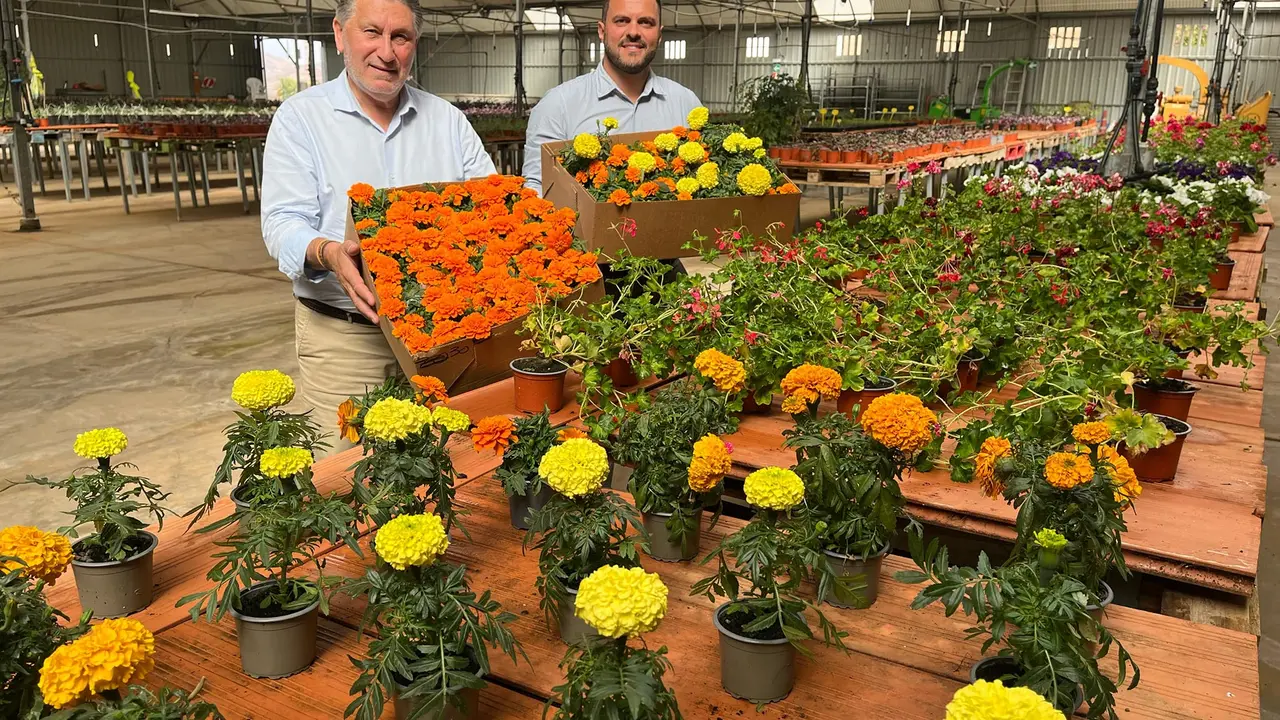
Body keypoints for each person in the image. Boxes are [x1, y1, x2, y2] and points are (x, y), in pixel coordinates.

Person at [260, 0, 496, 456]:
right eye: (372, 32)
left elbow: (490, 204)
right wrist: (328, 252)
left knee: (449, 471)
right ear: (340, 34)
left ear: (414, 44)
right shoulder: (300, 119)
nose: (386, 52)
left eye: (400, 37)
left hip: (442, 341)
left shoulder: (447, 122)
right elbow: (282, 222)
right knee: (347, 479)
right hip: (345, 340)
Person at [522, 0, 701, 194]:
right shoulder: (558, 105)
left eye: (646, 22)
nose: (633, 32)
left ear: (659, 35)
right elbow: (538, 190)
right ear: (601, 31)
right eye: (622, 21)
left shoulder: (686, 104)